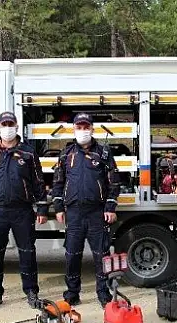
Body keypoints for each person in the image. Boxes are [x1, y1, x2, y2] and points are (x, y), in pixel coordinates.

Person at [0, 112, 49, 310]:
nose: (8, 127)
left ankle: (31, 291)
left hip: (22, 211)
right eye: (4, 124)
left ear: (16, 126)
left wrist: (42, 208)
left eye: (11, 124)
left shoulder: (28, 153)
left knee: (27, 252)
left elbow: (38, 182)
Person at [51, 113, 120, 308]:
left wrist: (110, 207)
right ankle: (72, 293)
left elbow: (114, 182)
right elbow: (58, 182)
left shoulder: (104, 153)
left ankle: (103, 293)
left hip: (97, 212)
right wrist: (58, 207)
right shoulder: (66, 153)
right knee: (72, 254)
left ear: (92, 129)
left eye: (86, 127)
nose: (83, 131)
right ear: (73, 129)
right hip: (73, 212)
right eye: (79, 127)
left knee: (101, 255)